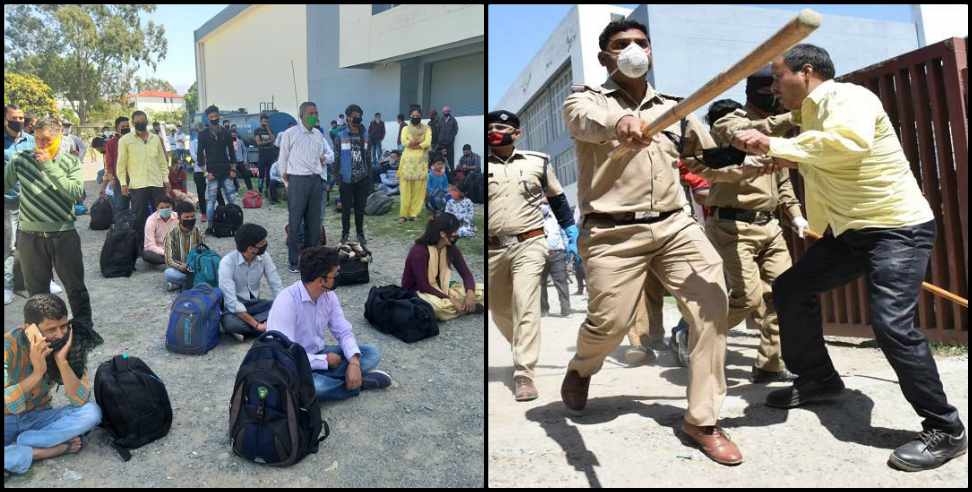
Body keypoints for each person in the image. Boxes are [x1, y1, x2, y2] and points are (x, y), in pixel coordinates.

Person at [730, 43, 968, 471]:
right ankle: (818, 379)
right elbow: (820, 156)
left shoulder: (849, 98)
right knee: (790, 288)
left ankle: (946, 429)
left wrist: (775, 145)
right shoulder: (810, 114)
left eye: (777, 75)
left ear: (805, 72)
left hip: (897, 229)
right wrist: (775, 156)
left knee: (891, 323)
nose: (772, 86)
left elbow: (848, 144)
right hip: (852, 232)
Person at [560, 20, 739, 464]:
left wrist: (751, 159)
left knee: (712, 304)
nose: (634, 50)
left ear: (652, 52)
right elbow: (587, 122)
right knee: (611, 324)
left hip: (675, 225)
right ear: (605, 57)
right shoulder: (586, 99)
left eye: (641, 43)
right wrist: (621, 122)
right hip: (612, 231)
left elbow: (703, 159)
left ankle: (701, 420)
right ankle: (583, 366)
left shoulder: (677, 108)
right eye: (622, 45)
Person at [675, 68, 808, 384]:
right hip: (733, 225)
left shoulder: (774, 135)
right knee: (746, 298)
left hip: (770, 226)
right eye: (772, 88)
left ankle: (769, 364)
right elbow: (740, 133)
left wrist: (796, 215)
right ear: (760, 91)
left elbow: (783, 181)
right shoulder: (730, 117)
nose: (778, 94)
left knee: (783, 294)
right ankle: (692, 332)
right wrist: (791, 118)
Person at [487, 109, 578, 402]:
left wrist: (570, 231)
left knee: (525, 303)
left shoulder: (537, 161)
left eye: (501, 127)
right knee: (498, 307)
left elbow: (557, 198)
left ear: (517, 133)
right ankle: (522, 346)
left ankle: (524, 372)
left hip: (530, 242)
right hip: (492, 248)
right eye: (490, 127)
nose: (494, 131)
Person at [4, 116, 103, 351]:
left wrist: (49, 165)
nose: (40, 145)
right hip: (29, 237)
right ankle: (40, 339)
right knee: (37, 292)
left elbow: (76, 193)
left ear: (59, 137)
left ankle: (83, 334)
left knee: (75, 288)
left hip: (63, 235)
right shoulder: (19, 160)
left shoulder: (70, 163)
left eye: (47, 140)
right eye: (37, 139)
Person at [266, 246, 393, 402]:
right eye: (335, 274)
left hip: (319, 352)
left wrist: (353, 362)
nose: (338, 277)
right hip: (294, 365)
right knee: (315, 388)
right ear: (321, 280)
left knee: (371, 353)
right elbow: (285, 355)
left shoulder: (328, 296)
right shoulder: (286, 302)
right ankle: (358, 383)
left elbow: (343, 331)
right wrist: (324, 361)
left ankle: (346, 377)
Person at [4, 294, 103, 476]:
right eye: (51, 329)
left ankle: (25, 442)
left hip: (38, 417)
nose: (60, 334)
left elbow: (79, 400)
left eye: (64, 326)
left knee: (92, 412)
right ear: (29, 329)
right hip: (7, 420)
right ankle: (47, 450)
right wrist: (37, 374)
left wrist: (62, 362)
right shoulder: (7, 347)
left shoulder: (68, 344)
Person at [279, 101, 334, 273]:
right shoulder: (290, 134)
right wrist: (287, 182)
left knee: (314, 223)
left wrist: (323, 162)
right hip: (297, 180)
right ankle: (294, 261)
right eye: (311, 113)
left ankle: (312, 260)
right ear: (301, 115)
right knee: (295, 223)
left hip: (315, 181)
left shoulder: (318, 135)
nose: (314, 116)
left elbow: (325, 156)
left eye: (316, 113)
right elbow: (283, 158)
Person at [402, 213, 483, 320]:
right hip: (419, 292)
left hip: (442, 289)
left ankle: (462, 307)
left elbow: (466, 274)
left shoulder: (451, 248)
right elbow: (423, 286)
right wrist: (451, 299)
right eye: (454, 232)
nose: (457, 234)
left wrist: (470, 292)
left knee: (484, 290)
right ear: (443, 234)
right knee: (438, 309)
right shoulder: (419, 251)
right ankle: (466, 308)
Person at [116, 110, 171, 256]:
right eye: (138, 121)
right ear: (133, 123)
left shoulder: (155, 139)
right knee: (139, 218)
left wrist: (166, 179)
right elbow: (121, 164)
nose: (141, 123)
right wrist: (123, 183)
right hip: (138, 185)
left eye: (143, 120)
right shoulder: (125, 140)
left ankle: (165, 245)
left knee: (163, 215)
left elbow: (162, 161)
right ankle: (143, 248)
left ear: (147, 121)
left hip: (157, 183)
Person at [218, 223, 284, 341]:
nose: (265, 244)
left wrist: (282, 307)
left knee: (281, 306)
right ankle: (268, 329)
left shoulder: (264, 257)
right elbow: (232, 303)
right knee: (230, 323)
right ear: (250, 248)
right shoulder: (227, 263)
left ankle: (249, 331)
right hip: (235, 309)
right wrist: (257, 325)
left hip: (255, 304)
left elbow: (276, 284)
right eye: (262, 242)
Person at [333, 104, 372, 246]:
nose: (357, 118)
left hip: (362, 178)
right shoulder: (340, 136)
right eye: (354, 115)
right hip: (346, 179)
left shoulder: (366, 135)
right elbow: (336, 157)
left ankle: (360, 234)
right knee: (346, 209)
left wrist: (369, 177)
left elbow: (368, 157)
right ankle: (345, 233)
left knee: (360, 209)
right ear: (348, 118)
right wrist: (337, 177)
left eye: (359, 115)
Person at [197, 106, 239, 234]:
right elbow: (199, 155)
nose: (214, 119)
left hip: (226, 171)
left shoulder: (226, 132)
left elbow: (232, 152)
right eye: (211, 117)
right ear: (208, 118)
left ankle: (237, 224)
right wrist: (205, 173)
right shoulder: (203, 134)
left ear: (219, 116)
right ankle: (210, 227)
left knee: (232, 199)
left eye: (216, 116)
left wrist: (233, 170)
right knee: (211, 201)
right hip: (212, 173)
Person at [398, 107, 432, 223]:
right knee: (405, 189)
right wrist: (415, 143)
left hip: (421, 162)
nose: (416, 118)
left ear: (421, 116)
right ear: (410, 116)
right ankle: (403, 214)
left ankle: (414, 213)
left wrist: (416, 145)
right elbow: (404, 142)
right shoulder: (405, 128)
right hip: (407, 162)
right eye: (413, 116)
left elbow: (427, 142)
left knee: (419, 189)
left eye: (418, 116)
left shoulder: (427, 128)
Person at [539, 201, 571, 318]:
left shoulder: (556, 218)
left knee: (561, 282)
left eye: (544, 203)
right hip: (540, 255)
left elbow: (564, 235)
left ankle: (566, 310)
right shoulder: (532, 219)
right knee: (540, 284)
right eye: (540, 203)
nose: (542, 206)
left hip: (557, 254)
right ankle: (543, 310)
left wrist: (568, 251)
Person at [163, 201, 203, 291]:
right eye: (187, 217)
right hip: (180, 269)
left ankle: (181, 284)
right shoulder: (171, 235)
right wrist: (181, 266)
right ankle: (196, 282)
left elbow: (202, 251)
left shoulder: (198, 232)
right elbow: (169, 260)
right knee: (168, 273)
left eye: (192, 216)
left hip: (195, 267)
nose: (190, 219)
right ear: (179, 218)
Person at [141, 196, 179, 266]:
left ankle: (172, 262)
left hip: (176, 249)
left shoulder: (178, 217)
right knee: (146, 254)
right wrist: (166, 253)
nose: (165, 209)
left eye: (167, 207)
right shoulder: (151, 220)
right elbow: (149, 245)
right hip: (159, 251)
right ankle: (172, 262)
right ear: (157, 208)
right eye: (161, 208)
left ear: (172, 207)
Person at [253, 113, 276, 196]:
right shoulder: (257, 130)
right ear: (260, 121)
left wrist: (268, 129)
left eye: (267, 121)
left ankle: (268, 190)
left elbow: (273, 138)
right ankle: (260, 189)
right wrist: (269, 141)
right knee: (261, 174)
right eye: (264, 121)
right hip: (262, 154)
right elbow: (258, 143)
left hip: (270, 154)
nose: (265, 123)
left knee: (270, 174)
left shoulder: (270, 130)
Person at [439, 106, 459, 172]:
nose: (446, 112)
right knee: (441, 159)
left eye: (447, 111)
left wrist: (451, 137)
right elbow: (438, 130)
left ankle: (452, 174)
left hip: (450, 144)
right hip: (442, 144)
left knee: (450, 159)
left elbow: (456, 130)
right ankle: (442, 173)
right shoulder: (441, 119)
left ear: (449, 112)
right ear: (443, 112)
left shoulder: (453, 120)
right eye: (444, 111)